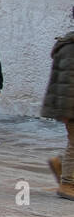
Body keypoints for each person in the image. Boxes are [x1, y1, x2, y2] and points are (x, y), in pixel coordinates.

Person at [40, 18, 74, 201]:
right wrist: (66, 112)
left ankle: (62, 166)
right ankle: (68, 183)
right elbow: (67, 84)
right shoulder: (70, 47)